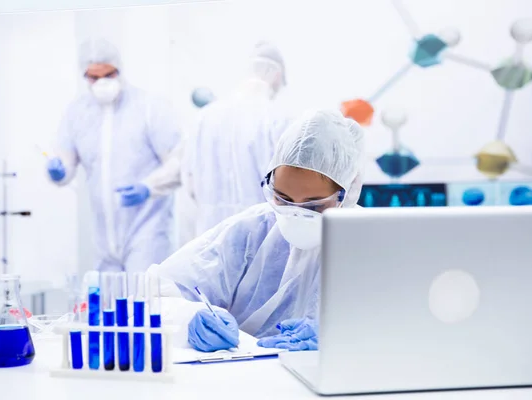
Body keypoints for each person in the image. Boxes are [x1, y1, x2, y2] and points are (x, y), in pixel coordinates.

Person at [148, 109, 365, 352]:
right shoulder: (250, 232)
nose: (296, 214)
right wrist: (189, 317)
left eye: (313, 205)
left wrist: (344, 338)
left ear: (349, 190)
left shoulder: (371, 243)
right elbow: (155, 296)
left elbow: (405, 325)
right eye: (283, 199)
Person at [47, 38, 183, 274]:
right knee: (109, 305)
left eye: (108, 75)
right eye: (94, 77)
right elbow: (66, 163)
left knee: (147, 302)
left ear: (119, 70)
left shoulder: (149, 108)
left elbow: (180, 162)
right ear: (85, 76)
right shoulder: (77, 113)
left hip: (147, 231)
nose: (102, 82)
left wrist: (148, 187)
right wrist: (58, 171)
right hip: (103, 239)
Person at [181, 41, 290, 238]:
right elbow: (286, 187)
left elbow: (189, 183)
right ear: (277, 75)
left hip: (209, 239)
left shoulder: (204, 117)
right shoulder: (277, 118)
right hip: (260, 237)